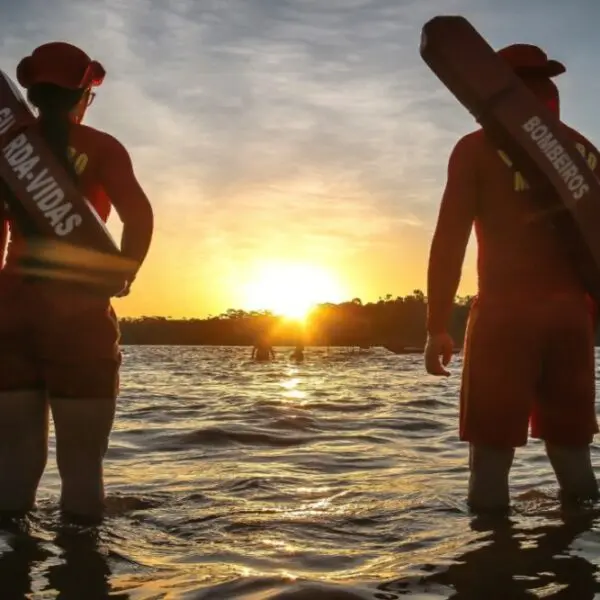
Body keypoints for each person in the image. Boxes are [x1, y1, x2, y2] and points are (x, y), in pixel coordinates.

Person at [425, 43, 599, 513]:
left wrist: (437, 325)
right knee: (573, 455)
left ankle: (489, 571)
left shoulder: (477, 148)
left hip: (506, 317)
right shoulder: (584, 151)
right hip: (572, 319)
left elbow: (450, 240)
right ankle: (579, 569)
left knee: (491, 458)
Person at [0, 42, 154, 523]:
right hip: (80, 318)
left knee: (14, 463)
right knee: (82, 468)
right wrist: (124, 271)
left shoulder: (7, 152)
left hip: (11, 314)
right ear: (84, 92)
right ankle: (83, 575)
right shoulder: (102, 148)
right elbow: (139, 217)